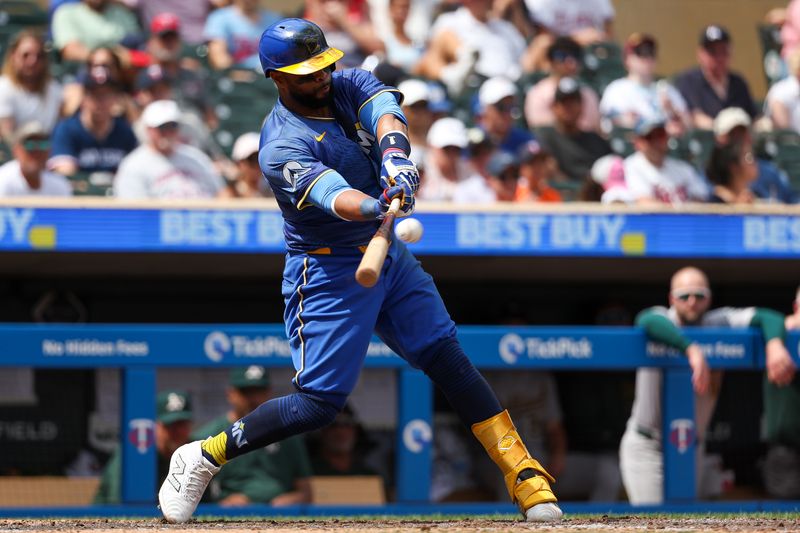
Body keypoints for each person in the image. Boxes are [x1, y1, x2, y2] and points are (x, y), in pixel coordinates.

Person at [157, 18, 562, 524]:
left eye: (325, 64)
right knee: (317, 406)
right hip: (327, 271)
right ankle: (204, 455)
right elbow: (337, 198)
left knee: (446, 357)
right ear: (277, 78)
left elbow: (388, 117)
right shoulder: (280, 143)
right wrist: (378, 207)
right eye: (307, 73)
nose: (322, 77)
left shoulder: (349, 85)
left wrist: (397, 163)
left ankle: (524, 476)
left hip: (387, 254)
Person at [619, 266, 796, 505]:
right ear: (672, 299)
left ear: (709, 298)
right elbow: (646, 320)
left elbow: (768, 317)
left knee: (687, 520)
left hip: (691, 446)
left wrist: (774, 345)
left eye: (699, 295)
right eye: (684, 296)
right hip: (648, 445)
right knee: (653, 521)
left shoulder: (718, 321)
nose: (692, 301)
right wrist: (691, 349)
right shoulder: (662, 317)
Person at [191, 366, 312, 506]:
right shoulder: (210, 435)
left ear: (269, 393)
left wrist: (287, 501)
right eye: (246, 392)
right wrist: (223, 504)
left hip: (279, 512)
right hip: (230, 513)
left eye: (258, 392)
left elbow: (306, 492)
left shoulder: (288, 432)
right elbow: (198, 495)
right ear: (230, 394)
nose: (253, 399)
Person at [94, 390, 193, 503]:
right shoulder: (136, 452)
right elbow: (118, 503)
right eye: (172, 426)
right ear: (154, 427)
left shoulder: (192, 455)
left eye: (183, 425)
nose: (179, 432)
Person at [114, 99, 224, 199]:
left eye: (173, 126)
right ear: (149, 130)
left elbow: (221, 194)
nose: (168, 132)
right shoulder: (134, 165)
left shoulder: (196, 157)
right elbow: (135, 212)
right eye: (162, 127)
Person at [415, 0, 526, 93]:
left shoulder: (505, 27)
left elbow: (526, 60)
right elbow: (430, 59)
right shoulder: (450, 21)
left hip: (509, 85)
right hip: (473, 84)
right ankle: (458, 69)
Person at [48, 66, 138, 177]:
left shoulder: (125, 132)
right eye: (95, 95)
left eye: (106, 95)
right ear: (84, 98)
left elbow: (136, 172)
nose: (101, 102)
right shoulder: (67, 130)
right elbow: (66, 175)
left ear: (115, 99)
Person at [600, 33, 691, 138]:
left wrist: (673, 111)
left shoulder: (667, 89)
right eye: (640, 53)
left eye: (651, 53)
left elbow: (689, 125)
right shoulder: (617, 90)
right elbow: (609, 126)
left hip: (667, 148)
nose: (647, 58)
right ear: (627, 59)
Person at [675, 25, 758, 130]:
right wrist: (721, 130)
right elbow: (694, 117)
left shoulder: (738, 83)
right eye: (712, 52)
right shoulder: (689, 81)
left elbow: (753, 116)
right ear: (700, 54)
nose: (719, 57)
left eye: (723, 51)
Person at [536, 77, 611, 185]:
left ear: (581, 106)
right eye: (564, 103)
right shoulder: (545, 137)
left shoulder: (595, 140)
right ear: (555, 107)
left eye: (573, 102)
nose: (569, 107)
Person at [713, 107, 797, 204]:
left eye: (743, 133)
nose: (740, 140)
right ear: (720, 139)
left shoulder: (770, 172)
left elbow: (792, 201)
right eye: (734, 135)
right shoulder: (711, 178)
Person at [762, 285, 800, 499]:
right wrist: (776, 341)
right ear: (796, 307)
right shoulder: (779, 332)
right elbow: (766, 318)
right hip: (787, 450)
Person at [623, 119, 708, 205]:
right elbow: (645, 203)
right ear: (638, 142)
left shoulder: (683, 168)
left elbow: (700, 199)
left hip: (687, 218)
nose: (656, 142)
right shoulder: (631, 166)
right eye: (649, 137)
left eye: (660, 136)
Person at [524, 37, 601, 132]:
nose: (569, 61)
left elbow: (592, 129)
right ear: (550, 61)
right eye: (562, 56)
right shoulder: (538, 94)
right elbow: (543, 132)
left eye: (575, 56)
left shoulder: (588, 94)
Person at [0, 30, 64, 142]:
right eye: (26, 55)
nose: (32, 61)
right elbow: (7, 136)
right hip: (15, 155)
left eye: (39, 56)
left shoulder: (54, 89)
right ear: (13, 56)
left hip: (48, 153)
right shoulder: (4, 87)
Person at [52, 0, 142, 62]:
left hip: (125, 73)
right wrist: (107, 58)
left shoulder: (122, 12)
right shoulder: (67, 13)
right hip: (84, 74)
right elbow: (70, 51)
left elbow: (136, 43)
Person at [203, 0, 282, 71]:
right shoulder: (219, 18)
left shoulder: (275, 20)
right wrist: (233, 73)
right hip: (238, 79)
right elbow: (219, 58)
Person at [0, 122, 72, 197]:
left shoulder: (60, 185)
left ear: (49, 151)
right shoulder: (3, 180)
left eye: (42, 145)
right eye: (30, 145)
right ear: (16, 150)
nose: (37, 152)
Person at [308, 403, 377, 476]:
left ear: (356, 431)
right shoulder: (307, 472)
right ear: (322, 432)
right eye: (333, 425)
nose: (340, 432)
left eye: (347, 424)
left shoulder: (369, 476)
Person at [475, 77, 535, 156]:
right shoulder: (473, 145)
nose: (507, 113)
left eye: (511, 106)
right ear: (486, 109)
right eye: (501, 107)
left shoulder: (527, 142)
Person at [417, 116, 472, 202]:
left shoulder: (469, 173)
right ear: (431, 146)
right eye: (446, 148)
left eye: (456, 148)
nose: (452, 153)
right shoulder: (418, 173)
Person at [453, 149, 520, 203]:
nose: (510, 182)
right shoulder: (479, 204)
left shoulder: (526, 202)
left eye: (515, 175)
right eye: (503, 177)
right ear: (491, 180)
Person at [219, 132, 274, 198]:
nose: (258, 165)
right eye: (253, 159)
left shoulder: (274, 193)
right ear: (239, 163)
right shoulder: (228, 196)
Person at [705, 139, 758, 204]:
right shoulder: (716, 202)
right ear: (733, 167)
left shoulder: (747, 197)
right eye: (749, 157)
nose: (754, 161)